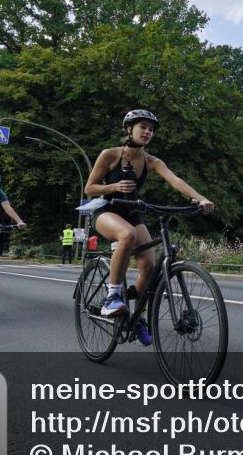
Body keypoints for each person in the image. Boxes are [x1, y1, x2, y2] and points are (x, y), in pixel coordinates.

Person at [84, 109, 214, 346]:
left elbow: (175, 180)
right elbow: (90, 188)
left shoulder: (152, 161)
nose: (147, 132)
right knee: (128, 235)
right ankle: (112, 297)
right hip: (106, 210)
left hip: (133, 212)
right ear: (129, 129)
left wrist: (201, 198)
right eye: (142, 127)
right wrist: (113, 188)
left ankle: (138, 318)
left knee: (149, 265)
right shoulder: (110, 154)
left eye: (151, 129)